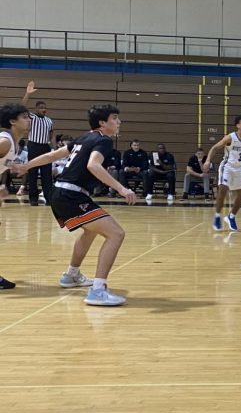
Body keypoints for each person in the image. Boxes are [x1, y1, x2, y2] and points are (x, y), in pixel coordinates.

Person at [11, 105, 138, 305]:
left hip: (59, 192)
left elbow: (52, 156)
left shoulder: (84, 137)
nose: (119, 121)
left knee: (90, 231)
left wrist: (26, 166)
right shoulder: (104, 140)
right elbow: (93, 165)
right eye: (115, 118)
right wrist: (122, 189)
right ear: (102, 123)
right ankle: (97, 291)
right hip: (71, 194)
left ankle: (71, 275)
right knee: (116, 234)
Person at [0, 103, 32, 289]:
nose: (29, 120)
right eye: (25, 117)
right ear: (13, 121)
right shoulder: (5, 141)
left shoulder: (13, 141)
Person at [21, 81, 54, 206]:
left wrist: (53, 146)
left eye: (45, 108)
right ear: (36, 109)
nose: (43, 109)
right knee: (33, 173)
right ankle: (33, 198)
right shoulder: (32, 117)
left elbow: (52, 134)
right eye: (41, 108)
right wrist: (27, 93)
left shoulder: (49, 120)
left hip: (45, 147)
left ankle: (49, 198)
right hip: (34, 146)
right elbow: (22, 107)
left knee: (47, 175)